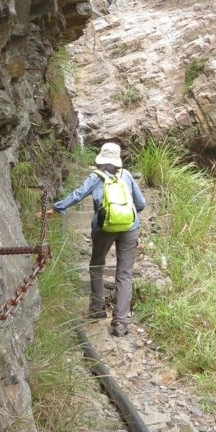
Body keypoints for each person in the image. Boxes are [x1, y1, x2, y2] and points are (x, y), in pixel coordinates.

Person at [47, 141, 145, 337]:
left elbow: (77, 195)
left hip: (104, 228)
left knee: (97, 264)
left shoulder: (95, 176)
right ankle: (120, 323)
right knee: (125, 273)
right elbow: (141, 204)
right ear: (117, 160)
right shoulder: (126, 175)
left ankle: (98, 307)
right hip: (130, 227)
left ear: (101, 159)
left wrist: (57, 208)